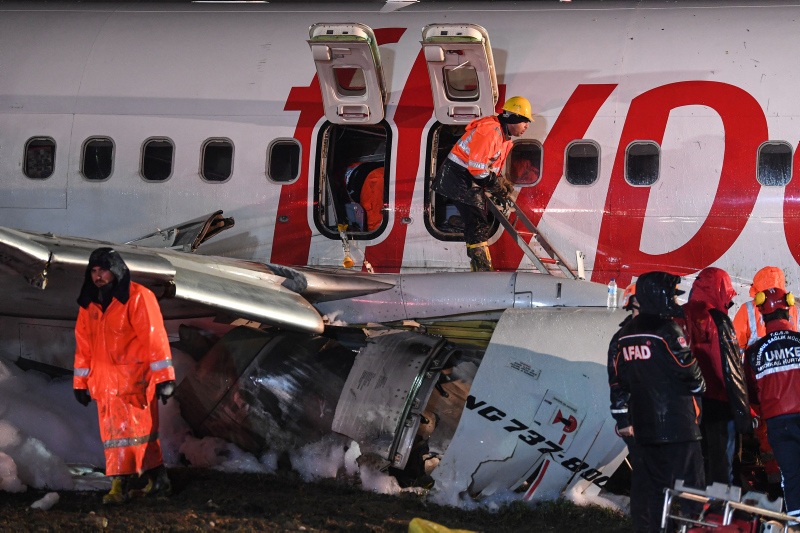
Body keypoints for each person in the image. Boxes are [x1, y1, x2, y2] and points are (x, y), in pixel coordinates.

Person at [73, 248, 176, 504]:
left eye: (103, 270)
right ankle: (157, 482)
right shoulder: (89, 304)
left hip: (134, 383)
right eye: (94, 271)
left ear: (116, 270)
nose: (98, 276)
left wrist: (165, 377)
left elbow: (154, 339)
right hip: (106, 385)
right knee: (122, 437)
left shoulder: (138, 297)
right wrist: (80, 383)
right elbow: (84, 346)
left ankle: (120, 485)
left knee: (133, 436)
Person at [614, 271, 706, 533]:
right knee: (693, 493)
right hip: (679, 425)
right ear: (659, 295)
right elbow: (690, 372)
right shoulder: (668, 329)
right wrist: (699, 387)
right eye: (671, 294)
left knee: (657, 494)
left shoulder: (625, 334)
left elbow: (621, 380)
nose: (675, 300)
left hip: (646, 428)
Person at [431, 96, 533, 271]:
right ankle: (481, 268)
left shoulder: (504, 137)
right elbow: (477, 169)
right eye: (525, 121)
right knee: (477, 223)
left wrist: (498, 181)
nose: (527, 126)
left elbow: (489, 166)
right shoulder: (491, 132)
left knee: (477, 220)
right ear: (513, 118)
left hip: (467, 177)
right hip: (458, 177)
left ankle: (464, 229)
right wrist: (495, 184)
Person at [680, 268, 751, 486]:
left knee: (693, 465)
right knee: (721, 467)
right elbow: (732, 370)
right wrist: (743, 413)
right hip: (718, 403)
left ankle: (694, 504)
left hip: (685, 405)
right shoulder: (718, 319)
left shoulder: (676, 315)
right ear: (720, 291)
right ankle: (719, 505)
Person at [732, 266, 796, 486]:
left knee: (768, 441)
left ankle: (776, 485)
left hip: (761, 391)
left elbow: (734, 351)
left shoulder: (748, 310)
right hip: (792, 392)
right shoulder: (793, 309)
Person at [744, 287, 800, 525]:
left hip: (777, 424)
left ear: (762, 315)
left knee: (791, 476)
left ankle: (795, 524)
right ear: (788, 311)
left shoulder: (754, 352)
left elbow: (751, 393)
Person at [607, 283, 648, 533]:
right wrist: (623, 419)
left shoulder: (651, 333)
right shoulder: (622, 339)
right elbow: (616, 381)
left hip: (652, 415)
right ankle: (643, 522)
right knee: (644, 472)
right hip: (636, 416)